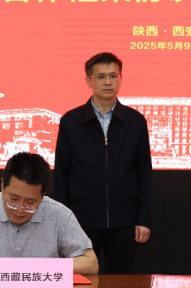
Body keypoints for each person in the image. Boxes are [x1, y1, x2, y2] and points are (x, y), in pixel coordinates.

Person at [53, 52, 152, 274]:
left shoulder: (135, 121)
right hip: (81, 221)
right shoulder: (71, 121)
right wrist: (62, 222)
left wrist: (143, 219)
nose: (108, 82)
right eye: (101, 76)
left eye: (113, 76)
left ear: (120, 78)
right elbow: (61, 174)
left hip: (124, 220)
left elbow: (144, 173)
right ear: (89, 81)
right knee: (81, 281)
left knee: (122, 283)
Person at [0, 152, 98, 279]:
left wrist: (44, 267)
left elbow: (91, 263)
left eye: (30, 202)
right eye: (14, 199)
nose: (20, 209)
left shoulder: (59, 214)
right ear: (2, 186)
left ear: (43, 196)